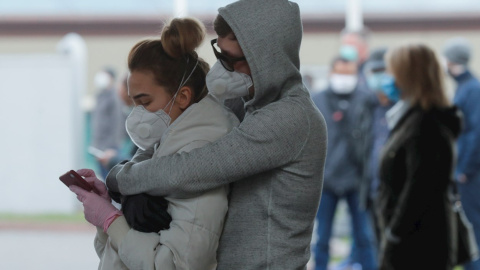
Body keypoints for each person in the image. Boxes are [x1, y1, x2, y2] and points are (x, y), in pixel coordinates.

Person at [107, 0, 328, 269]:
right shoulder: (242, 101)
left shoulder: (290, 118)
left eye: (231, 60)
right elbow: (168, 132)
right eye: (219, 55)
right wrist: (134, 168)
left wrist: (120, 178)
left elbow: (192, 170)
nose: (222, 70)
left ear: (265, 59)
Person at [70, 17, 240, 269]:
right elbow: (117, 254)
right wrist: (110, 207)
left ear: (183, 96)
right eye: (133, 103)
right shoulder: (163, 144)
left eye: (145, 102)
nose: (136, 114)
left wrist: (111, 221)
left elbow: (177, 264)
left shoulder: (199, 151)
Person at [376, 44, 461, 269]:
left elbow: (420, 189)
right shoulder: (409, 118)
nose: (387, 78)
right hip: (409, 239)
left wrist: (395, 233)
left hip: (418, 245)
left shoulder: (427, 126)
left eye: (391, 71)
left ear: (408, 75)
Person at [312, 56, 377, 270]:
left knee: (364, 237)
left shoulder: (367, 99)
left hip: (358, 180)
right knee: (322, 238)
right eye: (341, 72)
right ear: (331, 73)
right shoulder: (318, 100)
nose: (344, 78)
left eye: (349, 73)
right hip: (326, 180)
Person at [443, 37, 480, 270]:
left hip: (471, 173)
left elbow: (475, 132)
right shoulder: (465, 88)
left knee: (472, 225)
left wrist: (465, 168)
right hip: (465, 170)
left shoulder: (472, 89)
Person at [359, 47, 396, 246]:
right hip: (373, 192)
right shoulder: (367, 106)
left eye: (384, 71)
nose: (379, 78)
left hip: (398, 195)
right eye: (374, 72)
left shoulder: (403, 108)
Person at [90, 66, 126, 179]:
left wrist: (112, 146)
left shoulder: (115, 97)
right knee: (102, 178)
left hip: (110, 148)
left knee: (110, 179)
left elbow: (118, 123)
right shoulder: (100, 96)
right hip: (99, 147)